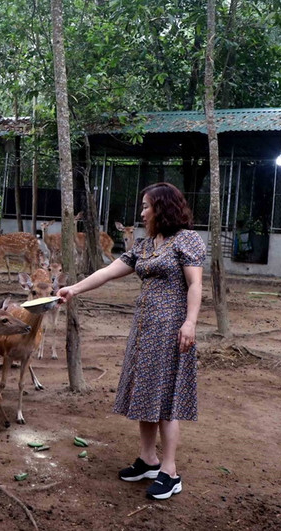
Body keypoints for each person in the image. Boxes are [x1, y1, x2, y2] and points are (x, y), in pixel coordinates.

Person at [57, 182, 205, 500]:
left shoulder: (187, 240)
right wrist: (74, 289)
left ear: (162, 208)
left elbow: (195, 284)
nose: (142, 212)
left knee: (166, 399)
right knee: (145, 393)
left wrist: (190, 322)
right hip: (144, 329)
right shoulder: (145, 245)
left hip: (172, 329)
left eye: (146, 206)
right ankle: (148, 459)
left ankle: (170, 472)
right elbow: (109, 271)